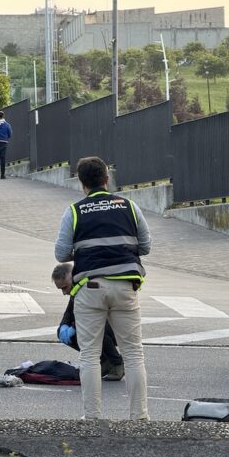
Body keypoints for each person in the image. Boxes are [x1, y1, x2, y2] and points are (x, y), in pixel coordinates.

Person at [55, 156, 151, 420]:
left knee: (89, 355)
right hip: (125, 287)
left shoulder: (74, 211)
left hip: (90, 288)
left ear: (81, 183)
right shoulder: (129, 207)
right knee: (133, 354)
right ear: (107, 179)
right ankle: (140, 418)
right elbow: (145, 246)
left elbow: (61, 253)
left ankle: (93, 419)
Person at [51, 262, 125, 381]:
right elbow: (69, 312)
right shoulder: (76, 287)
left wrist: (74, 327)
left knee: (92, 327)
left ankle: (116, 363)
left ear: (73, 276)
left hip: (116, 327)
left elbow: (94, 317)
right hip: (100, 325)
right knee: (65, 332)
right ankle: (104, 361)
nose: (64, 292)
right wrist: (63, 326)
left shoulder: (90, 286)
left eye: (64, 287)